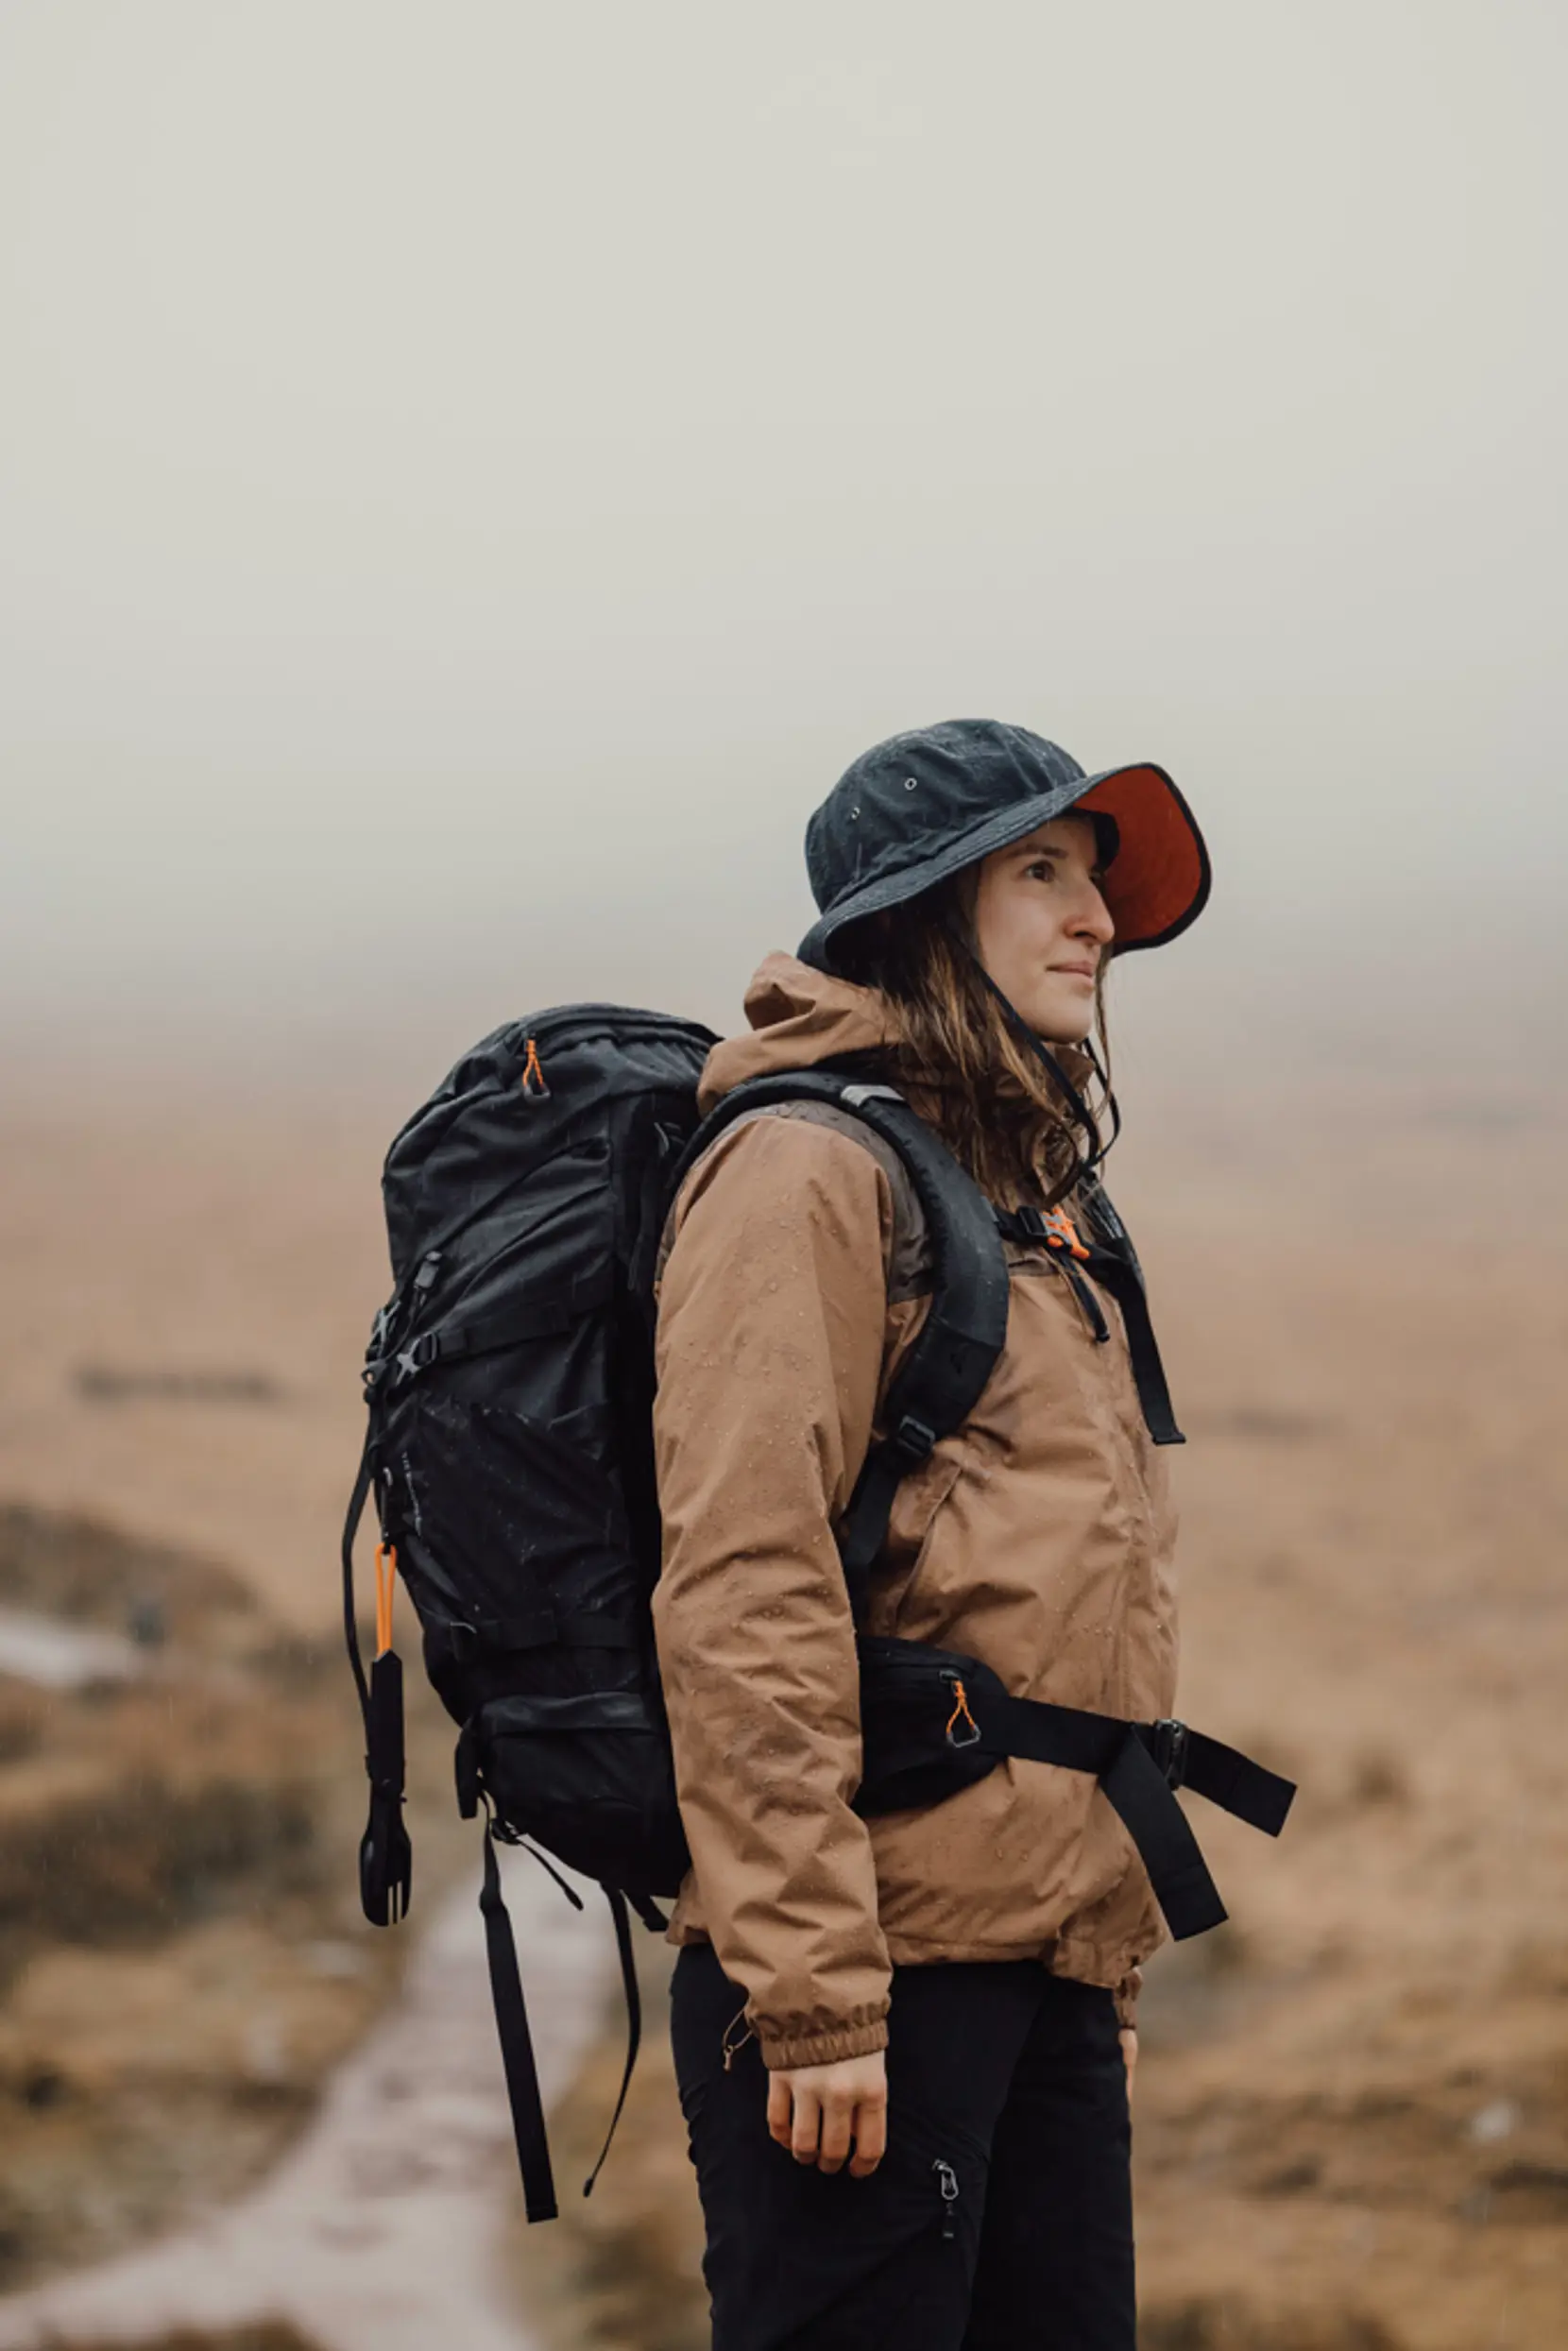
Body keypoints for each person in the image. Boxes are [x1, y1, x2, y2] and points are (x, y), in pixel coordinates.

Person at [650, 719, 1212, 2351]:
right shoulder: (805, 1173)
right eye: (1040, 872)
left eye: (1093, 879)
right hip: (868, 1982)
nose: (1094, 916)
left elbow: (1057, 1606)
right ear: (913, 916)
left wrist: (1091, 1967)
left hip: (1031, 1964)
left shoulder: (1030, 1196)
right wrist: (815, 1995)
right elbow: (745, 1585)